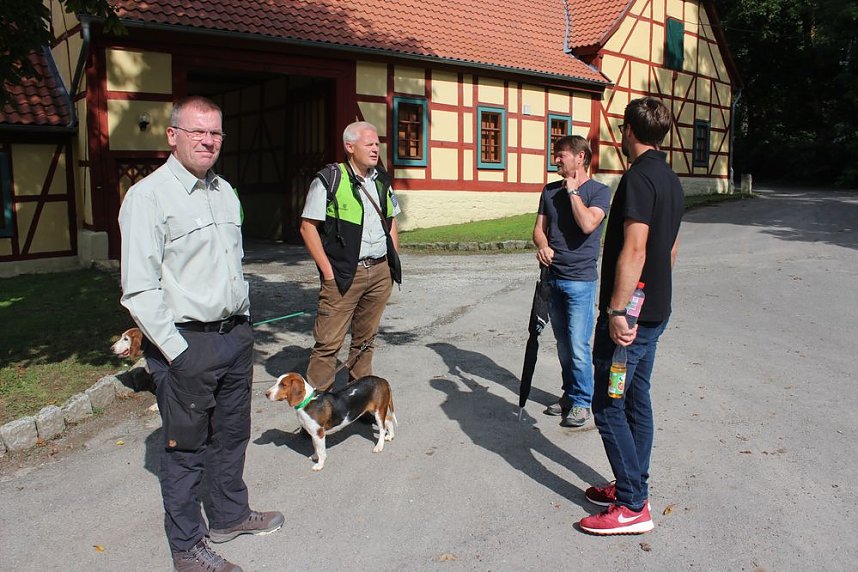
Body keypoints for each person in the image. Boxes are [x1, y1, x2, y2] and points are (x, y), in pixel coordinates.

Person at [119, 95, 283, 571]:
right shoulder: (148, 197)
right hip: (186, 343)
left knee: (232, 436)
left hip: (234, 337)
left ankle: (229, 516)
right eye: (198, 131)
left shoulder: (225, 191)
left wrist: (244, 325)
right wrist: (177, 352)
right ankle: (187, 548)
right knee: (186, 450)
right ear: (173, 136)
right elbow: (139, 289)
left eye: (215, 133)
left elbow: (232, 265)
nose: (208, 141)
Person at [579, 96, 684, 535]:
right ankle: (632, 482)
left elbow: (636, 248)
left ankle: (633, 505)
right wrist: (651, 299)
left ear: (628, 131)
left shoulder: (638, 179)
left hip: (630, 320)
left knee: (608, 406)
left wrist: (618, 310)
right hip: (655, 312)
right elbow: (670, 249)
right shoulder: (671, 180)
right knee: (637, 399)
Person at [300, 121, 401, 391]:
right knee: (328, 343)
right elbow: (307, 228)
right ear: (350, 146)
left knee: (365, 341)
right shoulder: (329, 179)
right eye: (369, 144)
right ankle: (318, 404)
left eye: (377, 144)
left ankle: (358, 397)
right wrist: (328, 273)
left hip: (379, 272)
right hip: (344, 273)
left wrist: (392, 262)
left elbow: (391, 220)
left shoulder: (382, 180)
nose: (375, 149)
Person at [532, 135, 610, 427]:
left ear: (580, 157)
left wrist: (573, 191)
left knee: (578, 345)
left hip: (580, 281)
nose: (555, 160)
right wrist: (542, 245)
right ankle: (570, 394)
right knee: (563, 345)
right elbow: (538, 230)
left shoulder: (600, 191)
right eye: (555, 154)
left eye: (561, 155)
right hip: (553, 279)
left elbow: (588, 224)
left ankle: (582, 403)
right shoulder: (549, 191)